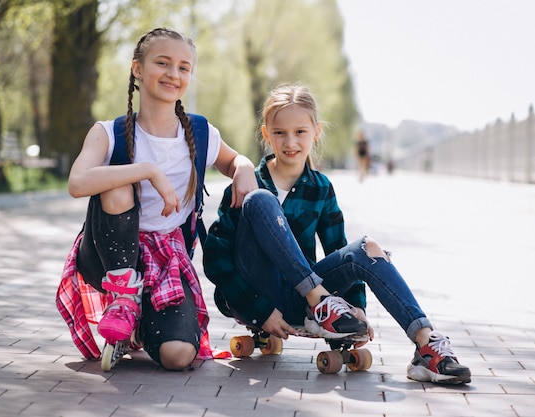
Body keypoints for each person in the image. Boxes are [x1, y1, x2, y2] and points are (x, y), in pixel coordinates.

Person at [202, 83, 471, 384]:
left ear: (316, 132)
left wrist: (357, 308)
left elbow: (338, 251)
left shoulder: (321, 187)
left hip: (301, 298)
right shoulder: (247, 184)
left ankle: (427, 346)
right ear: (266, 134)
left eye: (300, 132)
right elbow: (216, 259)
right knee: (260, 200)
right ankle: (320, 302)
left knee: (367, 247)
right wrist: (259, 311)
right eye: (280, 133)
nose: (290, 142)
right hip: (257, 294)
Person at [56, 27, 257, 371]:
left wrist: (245, 167)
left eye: (183, 67)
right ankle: (123, 299)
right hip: (106, 257)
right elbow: (77, 183)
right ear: (137, 69)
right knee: (118, 184)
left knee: (178, 356)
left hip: (165, 261)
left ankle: (135, 329)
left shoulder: (200, 133)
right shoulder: (108, 132)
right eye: (162, 63)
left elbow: (233, 160)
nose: (173, 74)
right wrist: (146, 169)